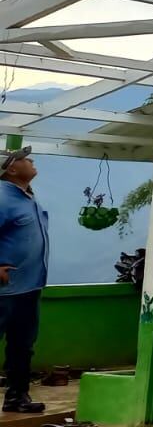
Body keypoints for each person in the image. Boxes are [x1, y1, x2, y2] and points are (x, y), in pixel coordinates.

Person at [0, 147, 46, 413]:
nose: (31, 160)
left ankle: (17, 398)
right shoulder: (3, 197)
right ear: (12, 169)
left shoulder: (27, 196)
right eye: (24, 159)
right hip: (5, 290)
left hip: (29, 287)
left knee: (22, 346)